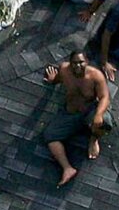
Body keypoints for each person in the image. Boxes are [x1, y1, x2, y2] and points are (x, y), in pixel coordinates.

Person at [40, 52, 112, 187]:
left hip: (89, 110)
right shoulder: (64, 69)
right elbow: (58, 79)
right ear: (70, 63)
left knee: (105, 121)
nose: (78, 66)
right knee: (49, 135)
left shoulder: (96, 76)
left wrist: (98, 114)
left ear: (87, 62)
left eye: (81, 62)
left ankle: (93, 139)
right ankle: (68, 169)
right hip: (70, 113)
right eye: (74, 63)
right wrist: (52, 80)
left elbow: (105, 97)